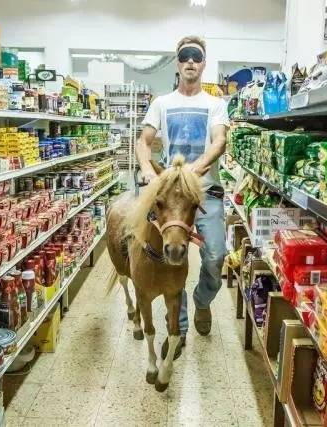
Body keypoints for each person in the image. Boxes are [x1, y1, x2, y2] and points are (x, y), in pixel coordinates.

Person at [135, 35, 229, 359]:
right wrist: (148, 171)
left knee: (215, 256)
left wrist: (193, 170)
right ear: (178, 62)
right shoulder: (162, 103)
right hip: (171, 198)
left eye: (196, 57)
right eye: (185, 56)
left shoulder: (215, 104)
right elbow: (144, 141)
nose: (190, 61)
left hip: (205, 192)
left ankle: (202, 301)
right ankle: (180, 326)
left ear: (203, 64)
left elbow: (219, 142)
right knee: (169, 257)